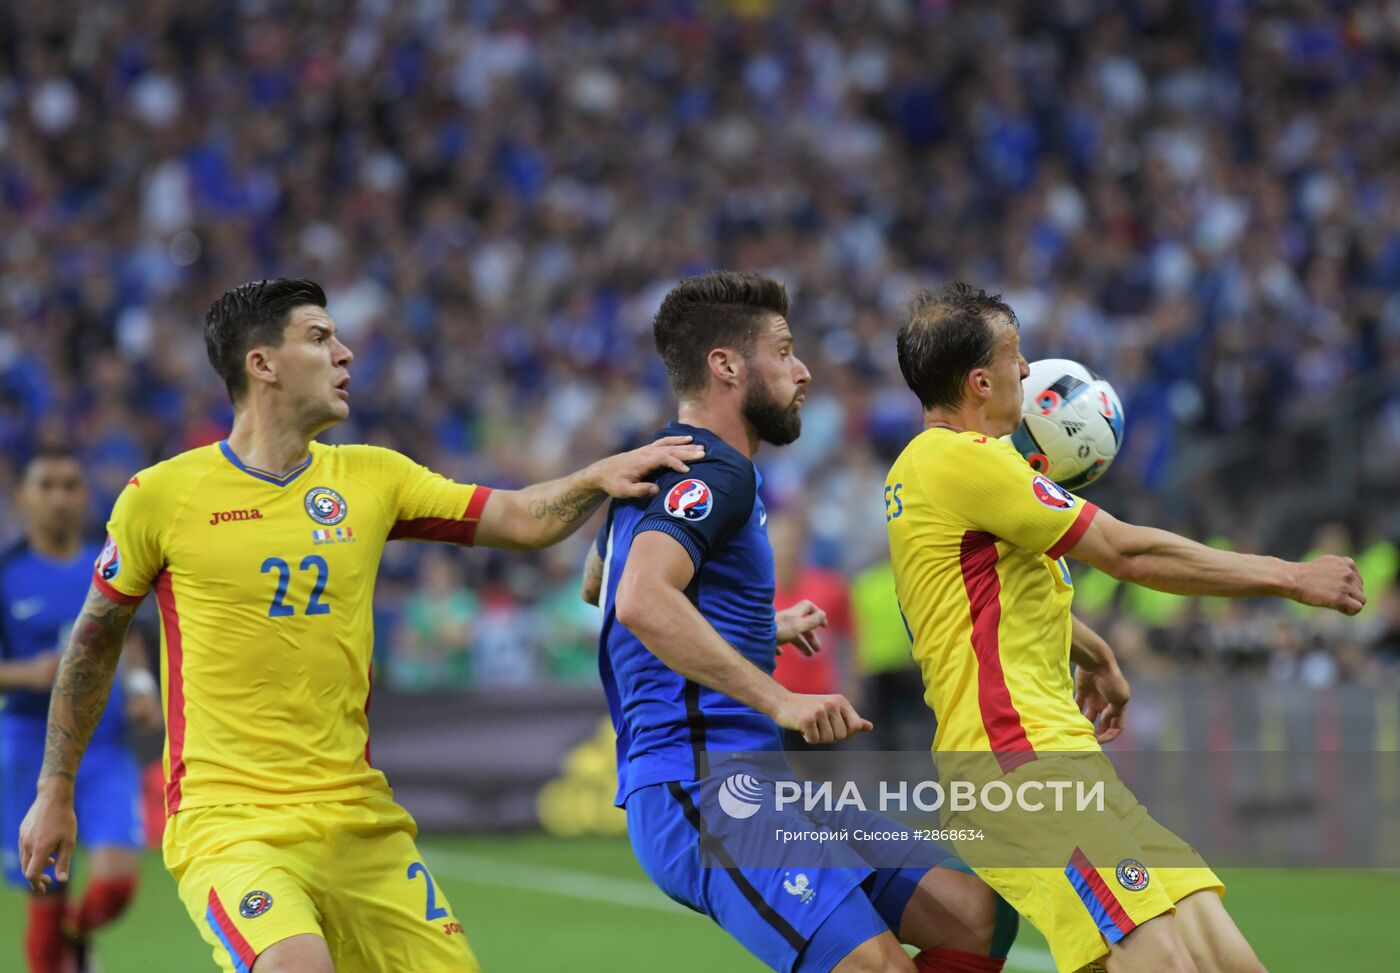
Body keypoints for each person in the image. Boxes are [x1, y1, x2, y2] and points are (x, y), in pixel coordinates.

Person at [18, 278, 703, 973]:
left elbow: (522, 518)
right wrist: (54, 790)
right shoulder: (160, 496)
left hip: (360, 821)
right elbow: (94, 637)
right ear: (262, 364)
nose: (345, 353)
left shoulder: (373, 477)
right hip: (232, 822)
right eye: (320, 338)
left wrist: (600, 474)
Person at [884, 282, 1364, 973]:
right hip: (1015, 763)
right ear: (980, 380)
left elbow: (979, 601)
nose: (1028, 370)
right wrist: (1291, 577)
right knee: (1159, 957)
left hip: (1064, 759)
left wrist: (1093, 649)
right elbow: (1125, 551)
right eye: (1016, 357)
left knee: (1225, 955)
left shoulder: (945, 474)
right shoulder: (960, 459)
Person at [583, 271, 1016, 973]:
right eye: (783, 351)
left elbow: (597, 581)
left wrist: (757, 623)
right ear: (726, 365)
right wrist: (779, 694)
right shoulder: (717, 473)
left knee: (976, 913)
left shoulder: (662, 462)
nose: (803, 370)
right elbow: (638, 600)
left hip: (758, 781)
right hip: (700, 790)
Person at [1, 447, 161, 973]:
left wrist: (140, 685)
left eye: (70, 485)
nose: (59, 497)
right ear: (24, 496)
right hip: (30, 748)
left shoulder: (109, 561)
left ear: (84, 495)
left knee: (116, 883)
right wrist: (30, 674)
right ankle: (60, 946)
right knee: (45, 887)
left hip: (104, 746)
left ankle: (79, 936)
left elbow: (130, 639)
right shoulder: (7, 574)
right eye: (46, 485)